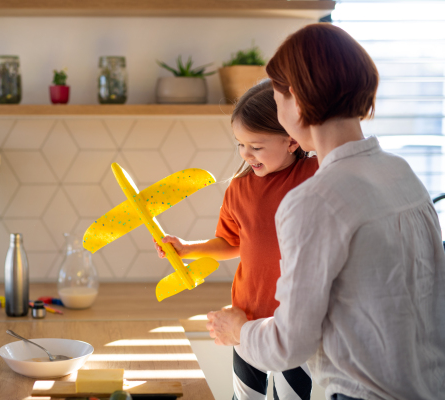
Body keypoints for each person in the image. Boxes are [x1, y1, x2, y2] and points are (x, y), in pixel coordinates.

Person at [206, 23, 445, 400]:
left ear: (296, 102)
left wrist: (237, 329)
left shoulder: (313, 200)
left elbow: (288, 345)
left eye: (277, 95)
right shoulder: (402, 176)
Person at [154, 79, 319, 399]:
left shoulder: (315, 174)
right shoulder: (239, 188)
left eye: (256, 146)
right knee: (246, 397)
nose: (246, 154)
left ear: (291, 141)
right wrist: (187, 248)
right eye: (240, 144)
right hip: (243, 319)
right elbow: (231, 243)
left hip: (293, 323)